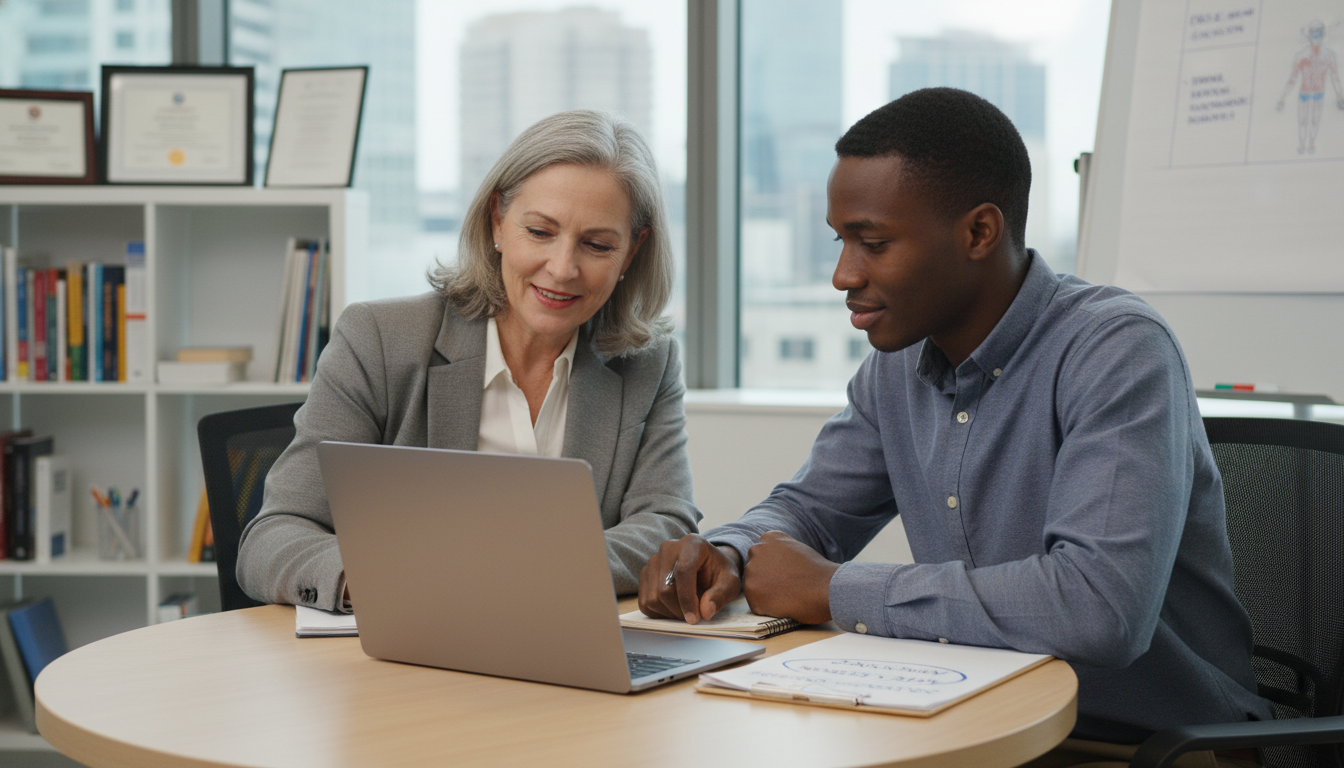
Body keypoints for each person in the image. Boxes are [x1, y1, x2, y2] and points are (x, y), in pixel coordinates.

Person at [638, 88, 1273, 755]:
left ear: (978, 232)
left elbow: (1098, 609)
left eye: (873, 243)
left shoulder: (1117, 351)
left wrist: (833, 588)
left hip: (1152, 747)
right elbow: (811, 509)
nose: (841, 274)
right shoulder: (899, 361)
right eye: (840, 240)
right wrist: (729, 552)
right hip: (985, 721)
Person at [238, 109, 700, 612]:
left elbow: (667, 529)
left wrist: (509, 571)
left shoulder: (647, 364)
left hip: (563, 650)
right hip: (403, 654)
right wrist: (383, 581)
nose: (563, 268)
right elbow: (272, 537)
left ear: (631, 253)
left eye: (596, 244)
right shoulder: (379, 339)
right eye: (540, 232)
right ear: (497, 221)